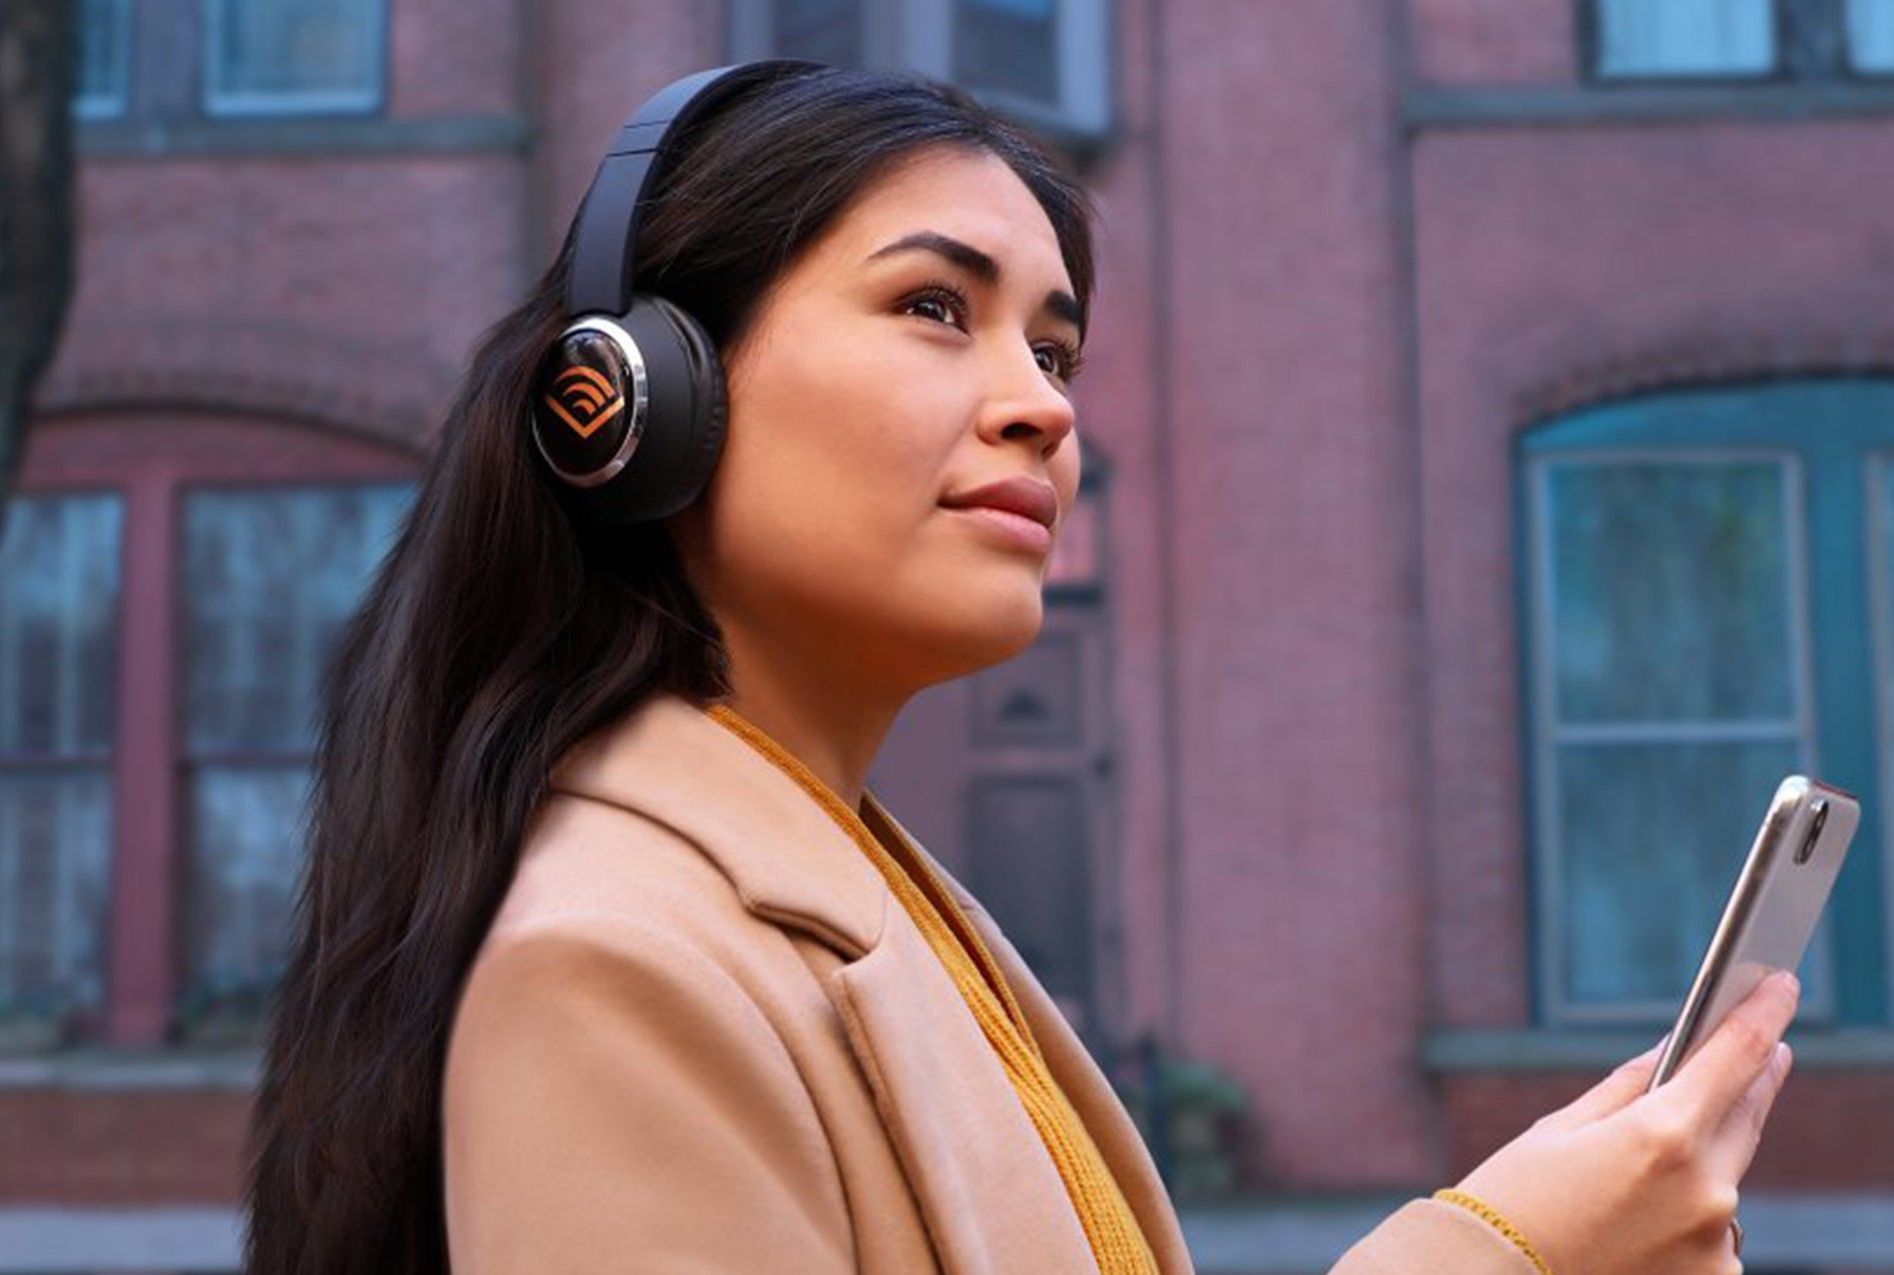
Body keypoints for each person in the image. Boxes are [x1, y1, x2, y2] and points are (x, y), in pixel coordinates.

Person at [239, 60, 1803, 1275]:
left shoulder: (867, 908)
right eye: (934, 308)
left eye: (1052, 350)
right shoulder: (617, 971)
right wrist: (1500, 1253)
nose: (1043, 407)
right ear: (637, 397)